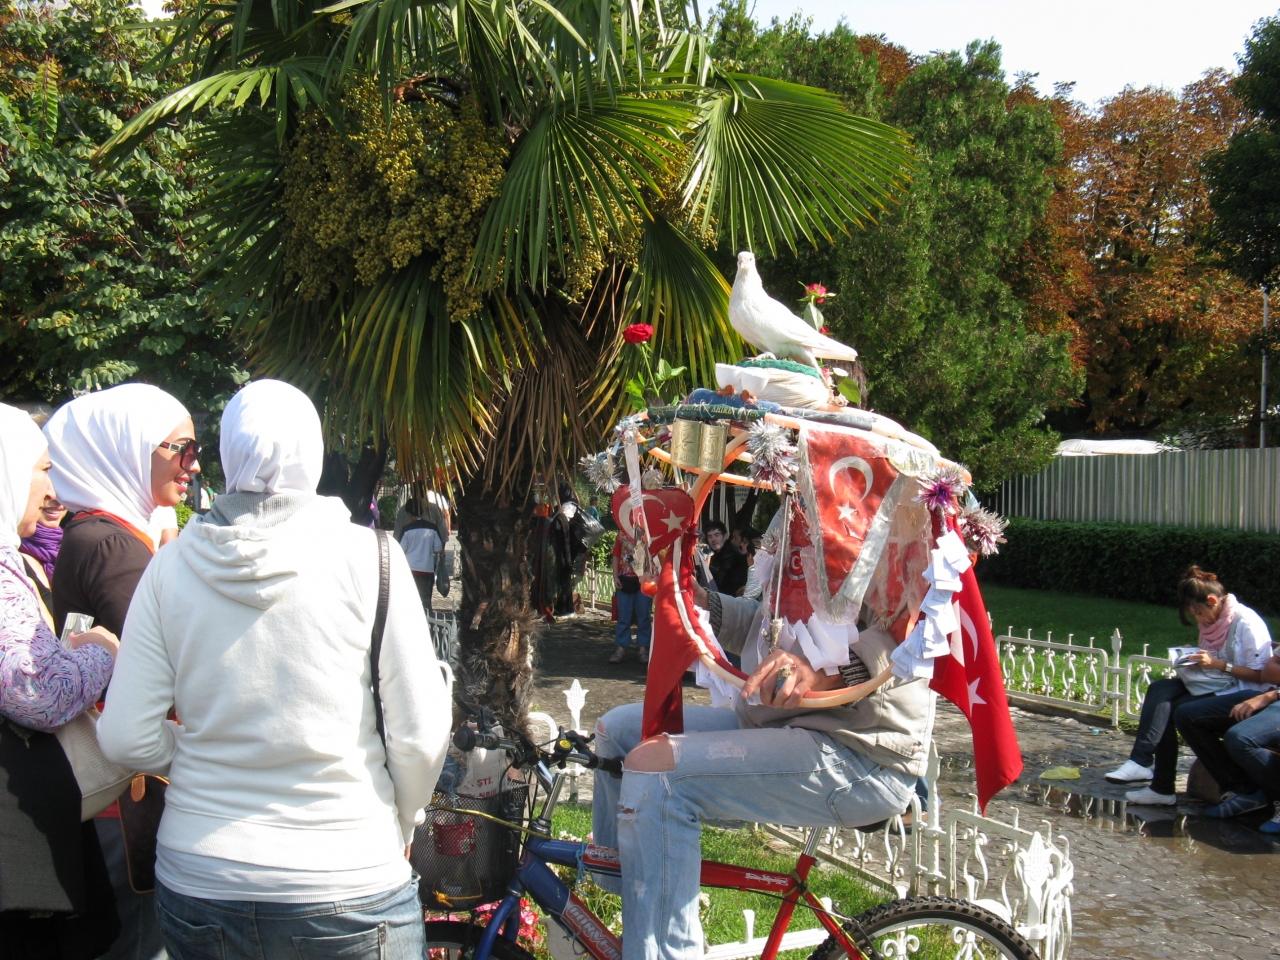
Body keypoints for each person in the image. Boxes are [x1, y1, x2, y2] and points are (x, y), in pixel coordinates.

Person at [98, 379, 452, 960]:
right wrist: (405, 819)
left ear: (227, 453)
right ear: (314, 452)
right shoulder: (372, 559)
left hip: (201, 876)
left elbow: (124, 736)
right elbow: (420, 733)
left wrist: (201, 756)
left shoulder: (170, 567)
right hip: (346, 870)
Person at [592, 581, 929, 960]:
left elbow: (901, 632)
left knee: (659, 772)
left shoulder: (881, 547)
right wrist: (703, 602)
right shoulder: (796, 547)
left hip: (860, 751)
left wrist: (821, 673)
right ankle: (622, 902)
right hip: (782, 724)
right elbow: (768, 628)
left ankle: (663, 950)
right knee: (618, 731)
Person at [44, 382, 199, 960]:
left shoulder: (108, 533)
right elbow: (170, 658)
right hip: (127, 791)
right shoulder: (109, 544)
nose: (193, 465)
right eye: (181, 449)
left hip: (124, 785)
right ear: (129, 448)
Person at [1, 403, 122, 959]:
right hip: (16, 850)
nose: (52, 489)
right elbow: (38, 693)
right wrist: (102, 651)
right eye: (43, 468)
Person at [1105, 565, 1274, 805]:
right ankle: (1141, 763)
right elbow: (1211, 657)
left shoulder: (1246, 623)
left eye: (1198, 613)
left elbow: (1261, 675)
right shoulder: (1211, 622)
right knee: (1159, 691)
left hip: (1245, 692)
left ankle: (1162, 785)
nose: (1198, 619)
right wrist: (1191, 657)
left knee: (1174, 711)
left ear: (1212, 601)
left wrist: (1217, 664)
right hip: (1215, 682)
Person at [1175, 648, 1280, 821]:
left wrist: (1272, 695)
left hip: (1273, 697)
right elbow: (1269, 671)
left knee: (1240, 738)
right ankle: (1244, 791)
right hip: (1271, 697)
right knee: (1187, 715)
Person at [18, 488, 66, 607]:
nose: (56, 498)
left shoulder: (76, 547)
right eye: (46, 488)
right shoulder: (8, 552)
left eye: (62, 488)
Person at [609, 532, 651, 664]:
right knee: (623, 617)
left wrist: (629, 545)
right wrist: (615, 576)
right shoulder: (621, 534)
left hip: (643, 580)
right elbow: (616, 555)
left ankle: (643, 648)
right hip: (625, 580)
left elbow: (646, 557)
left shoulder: (646, 532)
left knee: (644, 616)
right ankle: (621, 647)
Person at [550, 482, 589, 616]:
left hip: (565, 549)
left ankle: (564, 607)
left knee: (563, 579)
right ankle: (565, 607)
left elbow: (560, 527)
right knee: (565, 579)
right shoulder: (574, 506)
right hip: (572, 549)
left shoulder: (566, 509)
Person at [401, 496, 444, 613]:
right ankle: (427, 619)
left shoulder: (406, 529)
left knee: (410, 599)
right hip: (427, 569)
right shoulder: (433, 528)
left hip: (410, 569)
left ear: (409, 514)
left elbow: (401, 550)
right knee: (426, 600)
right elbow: (438, 548)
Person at [705, 519, 747, 597]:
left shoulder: (733, 556)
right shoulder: (711, 554)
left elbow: (721, 582)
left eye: (717, 535)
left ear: (725, 536)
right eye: (710, 536)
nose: (713, 539)